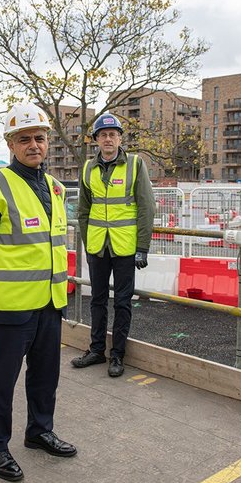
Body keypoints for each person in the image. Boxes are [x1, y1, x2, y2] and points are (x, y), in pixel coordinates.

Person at [0, 103, 76, 482]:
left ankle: (39, 431)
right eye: (24, 138)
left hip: (50, 302)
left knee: (46, 376)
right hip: (12, 306)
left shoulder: (56, 188)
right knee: (1, 381)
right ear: (10, 144)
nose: (34, 144)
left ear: (48, 143)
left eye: (39, 138)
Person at [71, 113, 155, 377]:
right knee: (96, 299)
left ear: (120, 138)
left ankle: (117, 355)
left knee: (122, 302)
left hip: (125, 248)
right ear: (96, 139)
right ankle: (96, 350)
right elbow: (83, 211)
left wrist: (142, 246)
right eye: (103, 135)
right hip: (98, 247)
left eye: (113, 134)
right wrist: (88, 241)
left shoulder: (134, 164)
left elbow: (147, 207)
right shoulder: (87, 168)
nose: (108, 139)